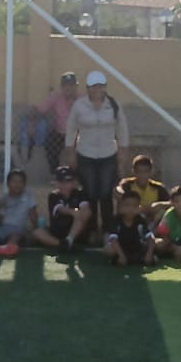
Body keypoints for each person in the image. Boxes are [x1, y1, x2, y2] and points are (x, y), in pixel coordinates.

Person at [64, 71, 129, 238]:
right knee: (90, 192)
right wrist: (71, 153)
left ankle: (108, 230)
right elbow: (71, 130)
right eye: (93, 86)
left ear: (105, 87)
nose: (97, 89)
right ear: (87, 88)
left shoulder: (113, 105)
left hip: (108, 154)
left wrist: (122, 155)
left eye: (100, 86)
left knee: (106, 193)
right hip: (86, 154)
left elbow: (122, 130)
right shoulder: (79, 105)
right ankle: (91, 229)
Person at [27, 71, 81, 171]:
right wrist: (32, 123)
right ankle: (55, 171)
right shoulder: (56, 98)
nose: (70, 88)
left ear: (76, 86)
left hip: (78, 134)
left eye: (72, 85)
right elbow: (39, 111)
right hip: (60, 133)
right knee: (50, 143)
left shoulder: (82, 100)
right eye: (66, 86)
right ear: (62, 87)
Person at [33, 166, 91, 252]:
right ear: (56, 183)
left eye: (68, 181)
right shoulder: (53, 195)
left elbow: (85, 208)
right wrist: (74, 211)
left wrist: (77, 212)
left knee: (85, 213)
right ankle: (63, 244)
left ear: (74, 182)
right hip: (57, 232)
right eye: (61, 182)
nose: (64, 185)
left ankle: (69, 239)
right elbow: (60, 209)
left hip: (76, 230)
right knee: (37, 232)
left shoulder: (80, 193)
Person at [0, 169, 38, 257]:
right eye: (14, 182)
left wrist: (35, 228)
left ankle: (9, 247)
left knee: (15, 235)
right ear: (8, 184)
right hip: (3, 227)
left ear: (24, 184)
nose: (17, 185)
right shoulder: (3, 199)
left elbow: (33, 216)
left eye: (20, 182)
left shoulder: (28, 197)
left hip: (18, 228)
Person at [106, 191, 156, 267]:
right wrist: (121, 255)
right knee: (108, 249)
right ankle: (122, 258)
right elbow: (113, 239)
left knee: (150, 252)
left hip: (137, 248)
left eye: (134, 206)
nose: (131, 209)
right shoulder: (116, 220)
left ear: (139, 207)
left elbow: (151, 237)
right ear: (121, 206)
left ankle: (138, 259)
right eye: (127, 205)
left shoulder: (141, 220)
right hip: (122, 248)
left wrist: (149, 255)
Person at [116, 155, 171, 225]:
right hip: (132, 219)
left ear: (151, 172)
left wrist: (157, 205)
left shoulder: (158, 187)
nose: (142, 175)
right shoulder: (127, 184)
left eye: (145, 172)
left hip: (152, 220)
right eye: (138, 171)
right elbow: (118, 192)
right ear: (133, 171)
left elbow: (171, 203)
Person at [154, 186, 181, 257]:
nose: (180, 204)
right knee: (159, 244)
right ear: (172, 202)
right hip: (172, 242)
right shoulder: (169, 214)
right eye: (176, 201)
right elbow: (162, 232)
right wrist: (168, 241)